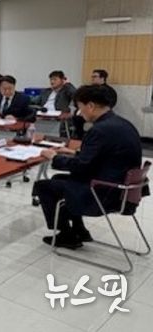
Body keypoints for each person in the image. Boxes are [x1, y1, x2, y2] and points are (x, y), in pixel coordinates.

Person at [33, 85, 142, 249]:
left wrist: (55, 157)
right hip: (120, 189)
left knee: (43, 186)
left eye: (79, 107)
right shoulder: (123, 124)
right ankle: (79, 229)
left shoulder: (99, 130)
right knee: (58, 179)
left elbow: (82, 167)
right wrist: (74, 153)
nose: (79, 112)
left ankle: (66, 234)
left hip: (103, 193)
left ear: (90, 105)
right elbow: (104, 156)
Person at [74, 69, 117, 139]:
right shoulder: (89, 90)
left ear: (102, 78)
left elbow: (111, 103)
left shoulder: (109, 90)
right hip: (90, 110)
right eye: (92, 77)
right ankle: (79, 136)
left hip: (101, 112)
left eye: (95, 76)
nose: (92, 78)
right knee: (77, 117)